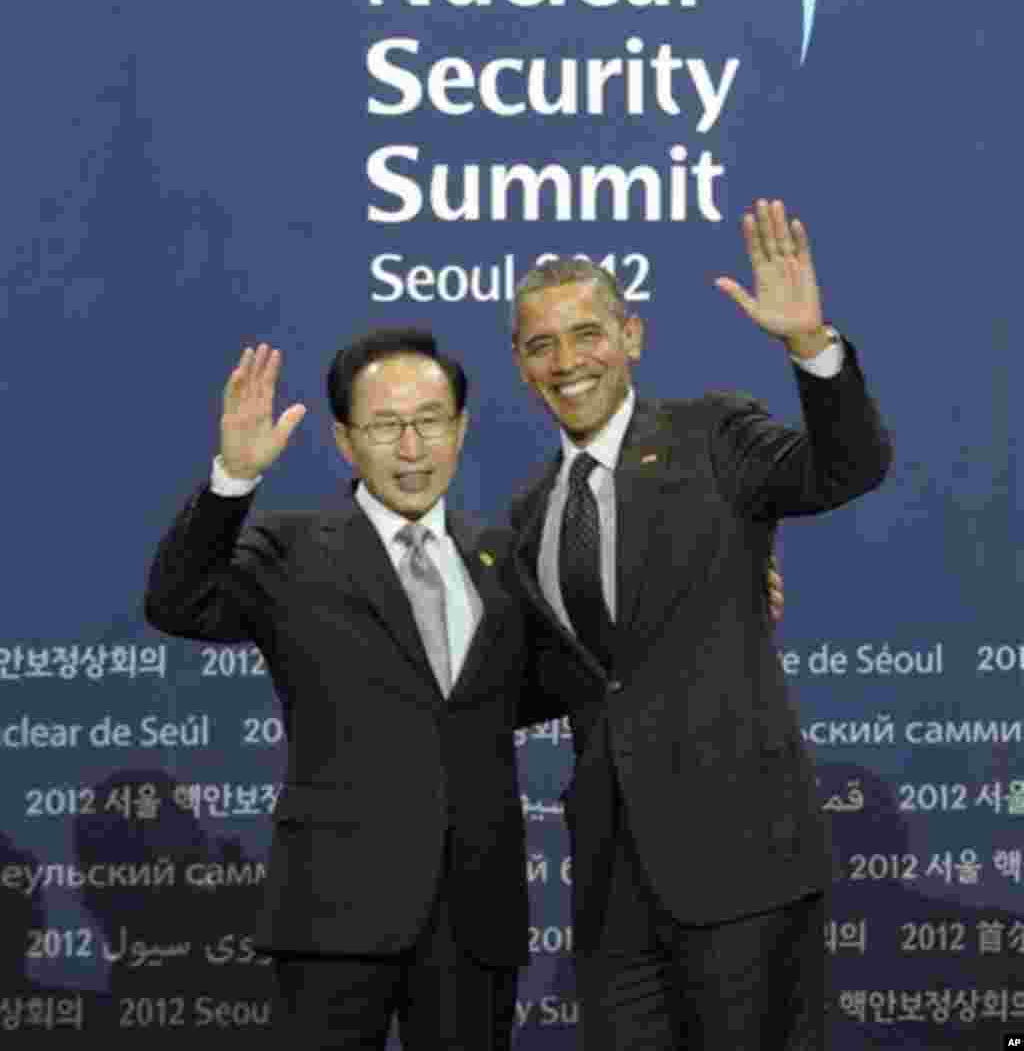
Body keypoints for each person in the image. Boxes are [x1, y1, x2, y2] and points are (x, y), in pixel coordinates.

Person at [504, 199, 893, 1050]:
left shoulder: (713, 434)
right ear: (521, 364)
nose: (567, 361)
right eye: (541, 344)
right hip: (613, 889)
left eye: (587, 333)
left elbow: (845, 468)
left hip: (743, 864)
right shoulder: (531, 513)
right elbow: (557, 678)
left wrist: (809, 347)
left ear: (633, 336)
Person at [144, 327, 561, 1049]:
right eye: (386, 425)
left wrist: (732, 596)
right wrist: (232, 481)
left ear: (460, 429)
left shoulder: (500, 554)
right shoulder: (291, 547)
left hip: (474, 915)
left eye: (430, 421)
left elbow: (554, 683)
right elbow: (177, 603)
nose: (411, 448)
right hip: (335, 911)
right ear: (344, 439)